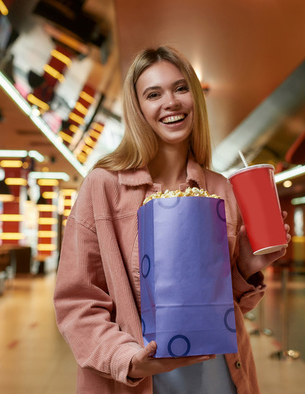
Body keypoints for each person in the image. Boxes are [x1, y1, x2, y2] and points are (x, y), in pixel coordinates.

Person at [54, 46, 289, 394]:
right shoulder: (103, 186)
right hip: (136, 379)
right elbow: (77, 302)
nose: (172, 102)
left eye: (181, 88)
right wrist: (128, 359)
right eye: (153, 94)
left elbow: (227, 307)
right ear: (137, 109)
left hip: (218, 375)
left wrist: (244, 269)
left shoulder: (221, 189)